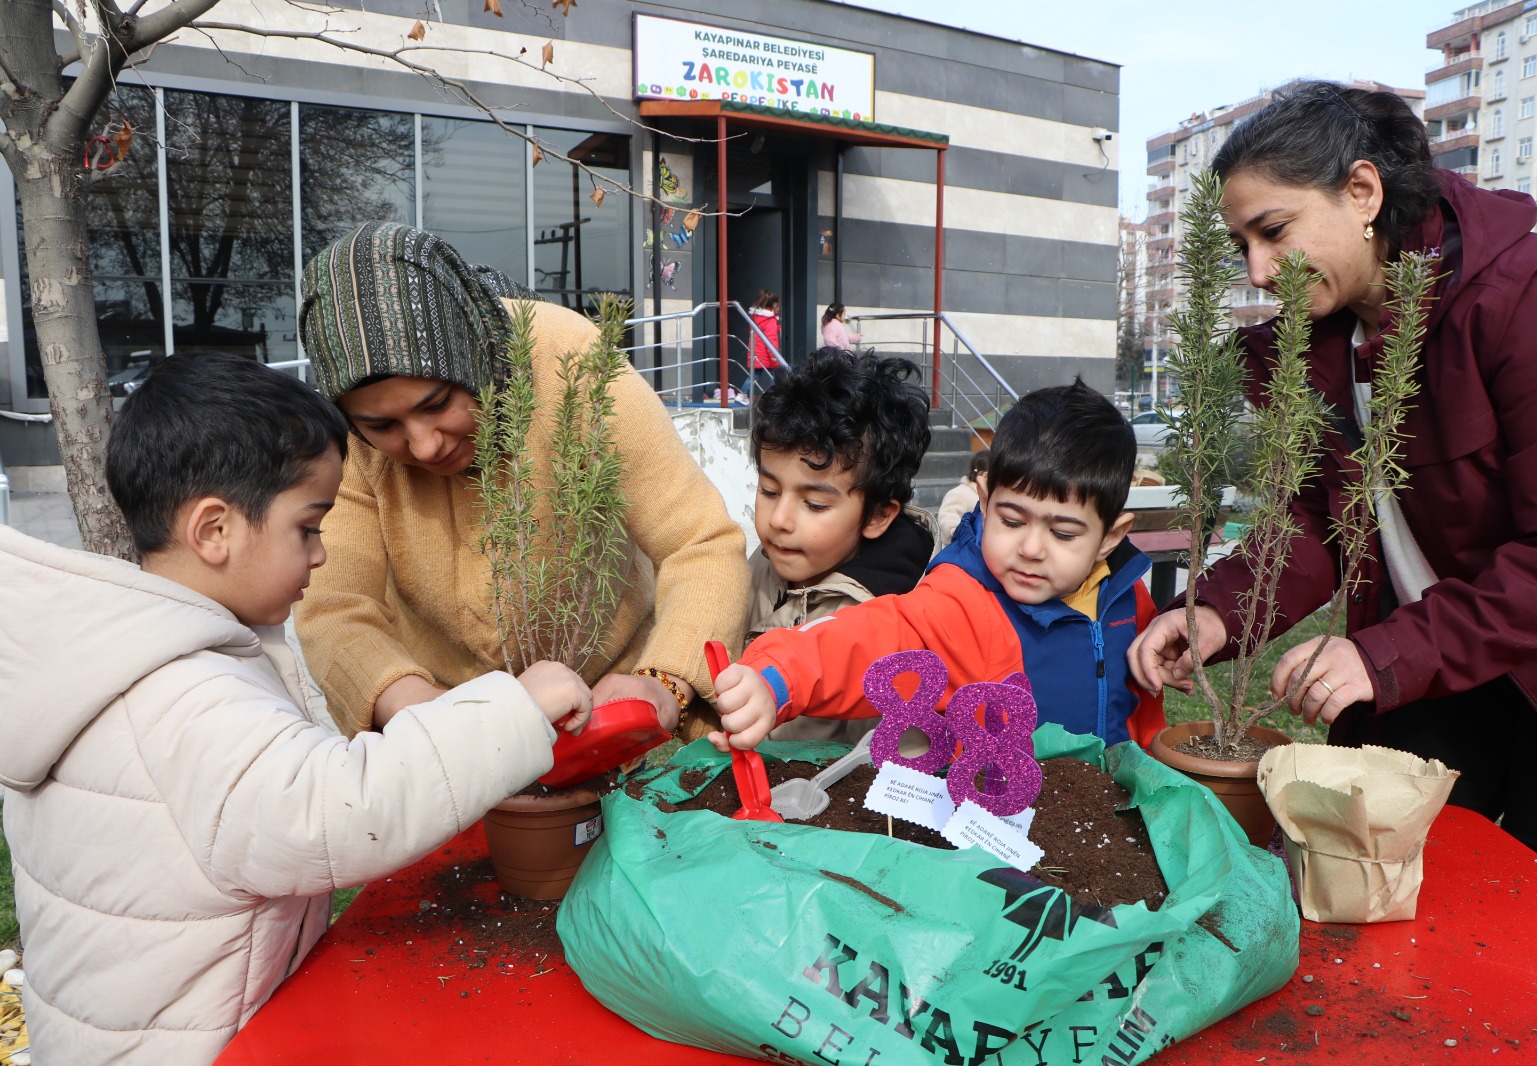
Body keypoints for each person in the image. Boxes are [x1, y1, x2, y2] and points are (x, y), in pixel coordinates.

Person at [0, 353, 593, 1065]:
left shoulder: (126, 659)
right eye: (308, 528)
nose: (319, 556)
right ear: (214, 530)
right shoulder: (180, 696)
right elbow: (337, 811)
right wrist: (516, 708)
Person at [1125, 81, 1537, 891]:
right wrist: (1216, 611)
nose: (1258, 270)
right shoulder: (1316, 346)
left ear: (1362, 191)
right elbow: (1316, 521)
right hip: (1429, 677)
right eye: (1241, 245)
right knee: (1377, 906)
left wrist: (1385, 654)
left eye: (1273, 232)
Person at [296, 222, 748, 738]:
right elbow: (335, 607)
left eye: (438, 404)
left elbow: (700, 542)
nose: (424, 445)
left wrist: (661, 681)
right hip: (446, 725)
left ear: (475, 361)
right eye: (383, 426)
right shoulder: (348, 437)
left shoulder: (576, 365)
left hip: (616, 712)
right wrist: (418, 707)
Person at [710, 380, 1165, 750]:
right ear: (984, 502)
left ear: (1110, 537)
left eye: (1062, 534)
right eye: (1010, 520)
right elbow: (867, 638)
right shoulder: (961, 600)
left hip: (1112, 816)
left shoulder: (1126, 596)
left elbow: (1140, 704)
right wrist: (778, 678)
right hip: (999, 830)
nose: (1030, 548)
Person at [746, 346, 940, 743]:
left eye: (814, 504)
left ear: (877, 516)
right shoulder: (759, 568)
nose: (779, 520)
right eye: (769, 490)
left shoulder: (900, 623)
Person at [937, 449, 991, 540]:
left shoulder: (992, 496)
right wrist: (956, 533)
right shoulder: (960, 493)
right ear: (985, 476)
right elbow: (947, 516)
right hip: (960, 547)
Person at [746, 288, 783, 396]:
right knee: (775, 375)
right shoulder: (770, 320)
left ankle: (742, 394)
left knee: (754, 375)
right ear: (774, 305)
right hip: (767, 355)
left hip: (756, 352)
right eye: (778, 304)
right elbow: (771, 338)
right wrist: (773, 354)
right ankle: (775, 396)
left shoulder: (756, 317)